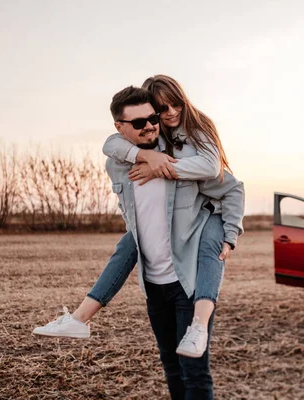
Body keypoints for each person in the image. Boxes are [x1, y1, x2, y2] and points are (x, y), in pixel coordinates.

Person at [34, 83, 244, 399]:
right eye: (138, 123)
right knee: (171, 366)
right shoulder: (116, 164)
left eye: (152, 119)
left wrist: (229, 233)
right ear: (121, 127)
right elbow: (111, 147)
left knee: (195, 373)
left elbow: (230, 184)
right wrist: (141, 155)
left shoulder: (182, 155)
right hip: (153, 286)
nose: (149, 126)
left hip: (187, 280)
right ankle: (79, 319)